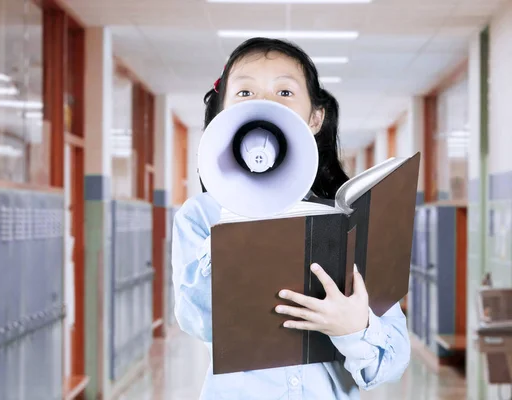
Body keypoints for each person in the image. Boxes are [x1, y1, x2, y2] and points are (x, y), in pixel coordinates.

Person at [171, 37, 411, 400]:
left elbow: (392, 361)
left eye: (284, 92)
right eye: (245, 92)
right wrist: (237, 221)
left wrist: (354, 328)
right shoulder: (201, 216)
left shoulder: (350, 219)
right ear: (222, 110)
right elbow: (198, 321)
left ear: (316, 118)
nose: (265, 103)